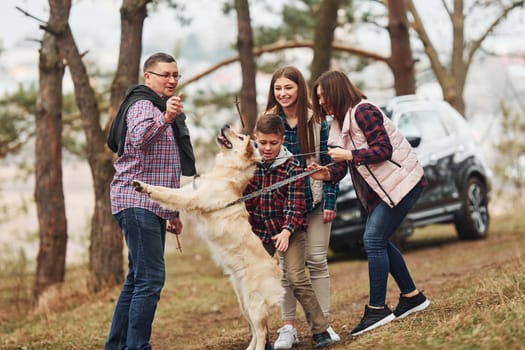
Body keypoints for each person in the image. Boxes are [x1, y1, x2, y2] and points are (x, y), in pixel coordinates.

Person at [307, 70, 430, 336]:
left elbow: (383, 150)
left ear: (337, 92)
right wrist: (325, 172)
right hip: (382, 191)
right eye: (318, 98)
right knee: (379, 241)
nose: (321, 103)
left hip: (403, 183)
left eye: (324, 96)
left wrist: (349, 153)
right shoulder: (339, 123)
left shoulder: (363, 111)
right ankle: (412, 297)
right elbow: (341, 167)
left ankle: (377, 310)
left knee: (373, 239)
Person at [105, 52, 196, 350]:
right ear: (148, 77)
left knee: (137, 278)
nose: (171, 80)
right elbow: (141, 137)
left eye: (175, 75)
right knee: (151, 279)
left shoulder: (157, 106)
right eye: (164, 75)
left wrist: (172, 212)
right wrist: (167, 117)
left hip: (151, 204)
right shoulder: (143, 104)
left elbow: (166, 169)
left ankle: (118, 345)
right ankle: (137, 346)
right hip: (136, 201)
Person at [264, 66, 343, 349]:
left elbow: (332, 164)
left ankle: (323, 324)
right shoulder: (270, 121)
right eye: (278, 89)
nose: (283, 94)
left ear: (300, 88)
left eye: (288, 88)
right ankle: (288, 327)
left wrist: (330, 202)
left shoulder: (317, 120)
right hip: (283, 208)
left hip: (315, 199)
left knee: (317, 261)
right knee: (287, 268)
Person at [244, 113, 338, 349]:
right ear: (255, 138)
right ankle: (259, 336)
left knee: (296, 277)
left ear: (282, 139)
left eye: (273, 143)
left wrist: (286, 230)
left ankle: (320, 329)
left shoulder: (293, 165)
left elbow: (296, 205)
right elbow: (243, 199)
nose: (267, 148)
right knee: (255, 283)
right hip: (259, 232)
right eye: (262, 142)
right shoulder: (249, 164)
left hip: (290, 230)